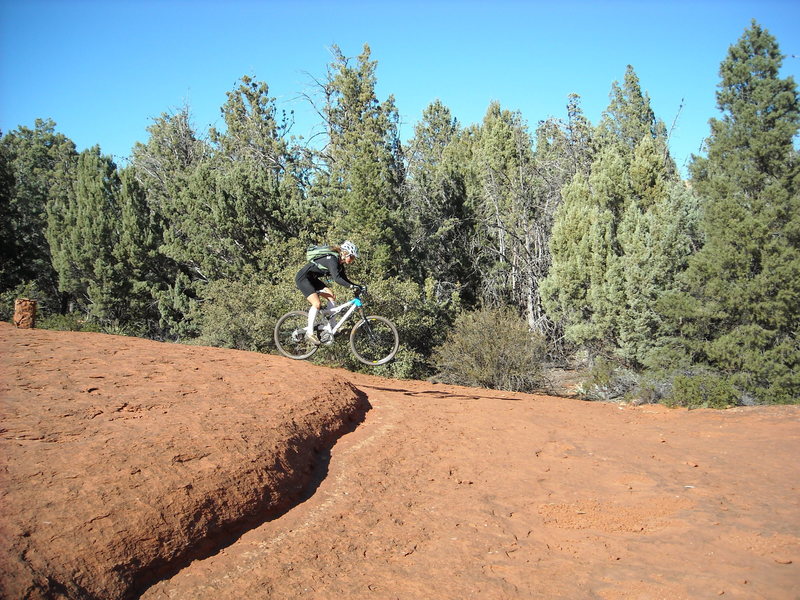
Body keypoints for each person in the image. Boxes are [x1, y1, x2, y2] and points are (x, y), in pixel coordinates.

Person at [295, 240, 361, 345]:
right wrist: (352, 286)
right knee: (317, 304)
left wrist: (358, 286)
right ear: (345, 253)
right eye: (352, 257)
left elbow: (345, 279)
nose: (352, 260)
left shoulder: (340, 264)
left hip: (313, 279)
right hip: (303, 278)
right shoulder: (332, 260)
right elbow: (337, 278)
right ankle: (310, 333)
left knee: (331, 296)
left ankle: (332, 326)